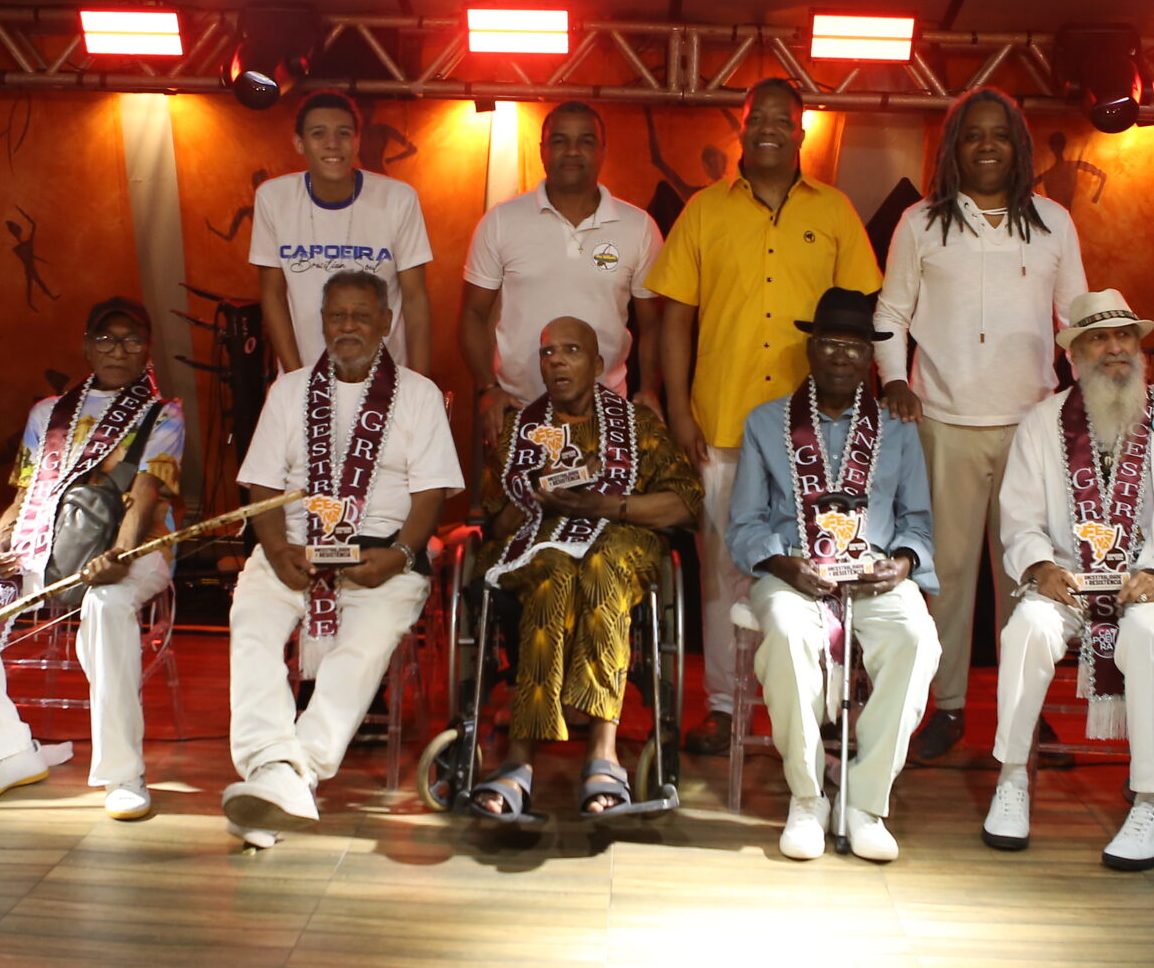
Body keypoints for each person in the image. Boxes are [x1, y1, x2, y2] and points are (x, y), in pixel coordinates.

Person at [648, 78, 883, 757]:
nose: (771, 129)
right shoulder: (702, 211)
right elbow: (676, 316)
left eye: (786, 119)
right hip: (720, 424)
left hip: (819, 432)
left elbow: (863, 317)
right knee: (726, 570)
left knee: (823, 565)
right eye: (759, 119)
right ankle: (726, 708)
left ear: (802, 133)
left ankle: (818, 704)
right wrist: (677, 409)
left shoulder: (835, 211)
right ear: (742, 130)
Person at [875, 85, 1087, 764]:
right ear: (953, 148)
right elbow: (891, 313)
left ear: (1019, 147)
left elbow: (1076, 316)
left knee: (1025, 570)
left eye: (999, 134)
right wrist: (895, 379)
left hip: (1032, 427)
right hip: (945, 418)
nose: (987, 145)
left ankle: (1024, 712)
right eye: (973, 135)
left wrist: (1088, 403)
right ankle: (947, 707)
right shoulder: (920, 223)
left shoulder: (1053, 221)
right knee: (952, 573)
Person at [221, 270, 465, 848]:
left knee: (364, 642)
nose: (348, 327)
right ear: (322, 322)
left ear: (386, 323)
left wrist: (401, 555)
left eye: (361, 315)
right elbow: (260, 485)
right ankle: (275, 770)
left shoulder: (420, 394)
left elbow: (430, 494)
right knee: (250, 622)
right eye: (337, 316)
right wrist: (276, 551)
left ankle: (289, 772)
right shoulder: (289, 390)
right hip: (295, 550)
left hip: (380, 553)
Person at [988, 291, 1154, 869]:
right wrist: (1042, 568)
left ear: (1139, 349)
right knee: (1027, 626)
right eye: (1099, 337)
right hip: (1069, 583)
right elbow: (1020, 519)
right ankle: (1013, 778)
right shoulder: (1044, 423)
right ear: (1076, 355)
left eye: (1125, 336)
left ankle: (1152, 803)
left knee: (1143, 630)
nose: (1115, 347)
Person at [0, 298, 183, 820]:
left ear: (147, 350)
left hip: (137, 547)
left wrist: (120, 554)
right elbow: (25, 493)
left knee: (107, 605)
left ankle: (123, 772)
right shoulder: (49, 413)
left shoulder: (163, 412)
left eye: (132, 339)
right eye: (106, 339)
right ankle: (3, 752)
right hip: (44, 546)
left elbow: (147, 491)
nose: (118, 350)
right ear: (87, 346)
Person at [729, 288, 938, 862]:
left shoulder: (897, 427)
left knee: (915, 638)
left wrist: (903, 563)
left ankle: (865, 801)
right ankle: (807, 797)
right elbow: (744, 523)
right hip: (794, 569)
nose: (841, 355)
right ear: (811, 349)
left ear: (871, 358)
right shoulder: (766, 423)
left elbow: (917, 523)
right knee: (791, 634)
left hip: (874, 576)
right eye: (830, 343)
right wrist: (784, 564)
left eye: (854, 346)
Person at [465, 317, 702, 819]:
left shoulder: (636, 426)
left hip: (618, 540)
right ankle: (520, 760)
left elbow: (686, 503)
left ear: (598, 365)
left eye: (570, 350)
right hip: (537, 548)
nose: (556, 361)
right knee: (554, 571)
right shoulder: (519, 431)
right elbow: (496, 521)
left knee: (599, 566)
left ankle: (602, 750)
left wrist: (606, 508)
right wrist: (531, 493)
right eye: (547, 352)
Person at [460, 101, 664, 442]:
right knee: (514, 498)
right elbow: (472, 313)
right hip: (517, 411)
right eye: (559, 140)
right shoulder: (502, 220)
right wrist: (487, 387)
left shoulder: (638, 227)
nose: (572, 151)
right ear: (542, 150)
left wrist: (650, 390)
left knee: (607, 498)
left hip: (607, 414)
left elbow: (654, 323)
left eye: (585, 141)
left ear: (602, 151)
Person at [252, 90, 435, 375]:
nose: (332, 144)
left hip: (385, 380)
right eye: (318, 134)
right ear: (299, 143)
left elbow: (415, 298)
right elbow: (272, 296)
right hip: (306, 374)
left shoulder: (398, 199)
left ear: (357, 141)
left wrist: (420, 384)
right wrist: (295, 378)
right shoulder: (274, 199)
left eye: (344, 133)